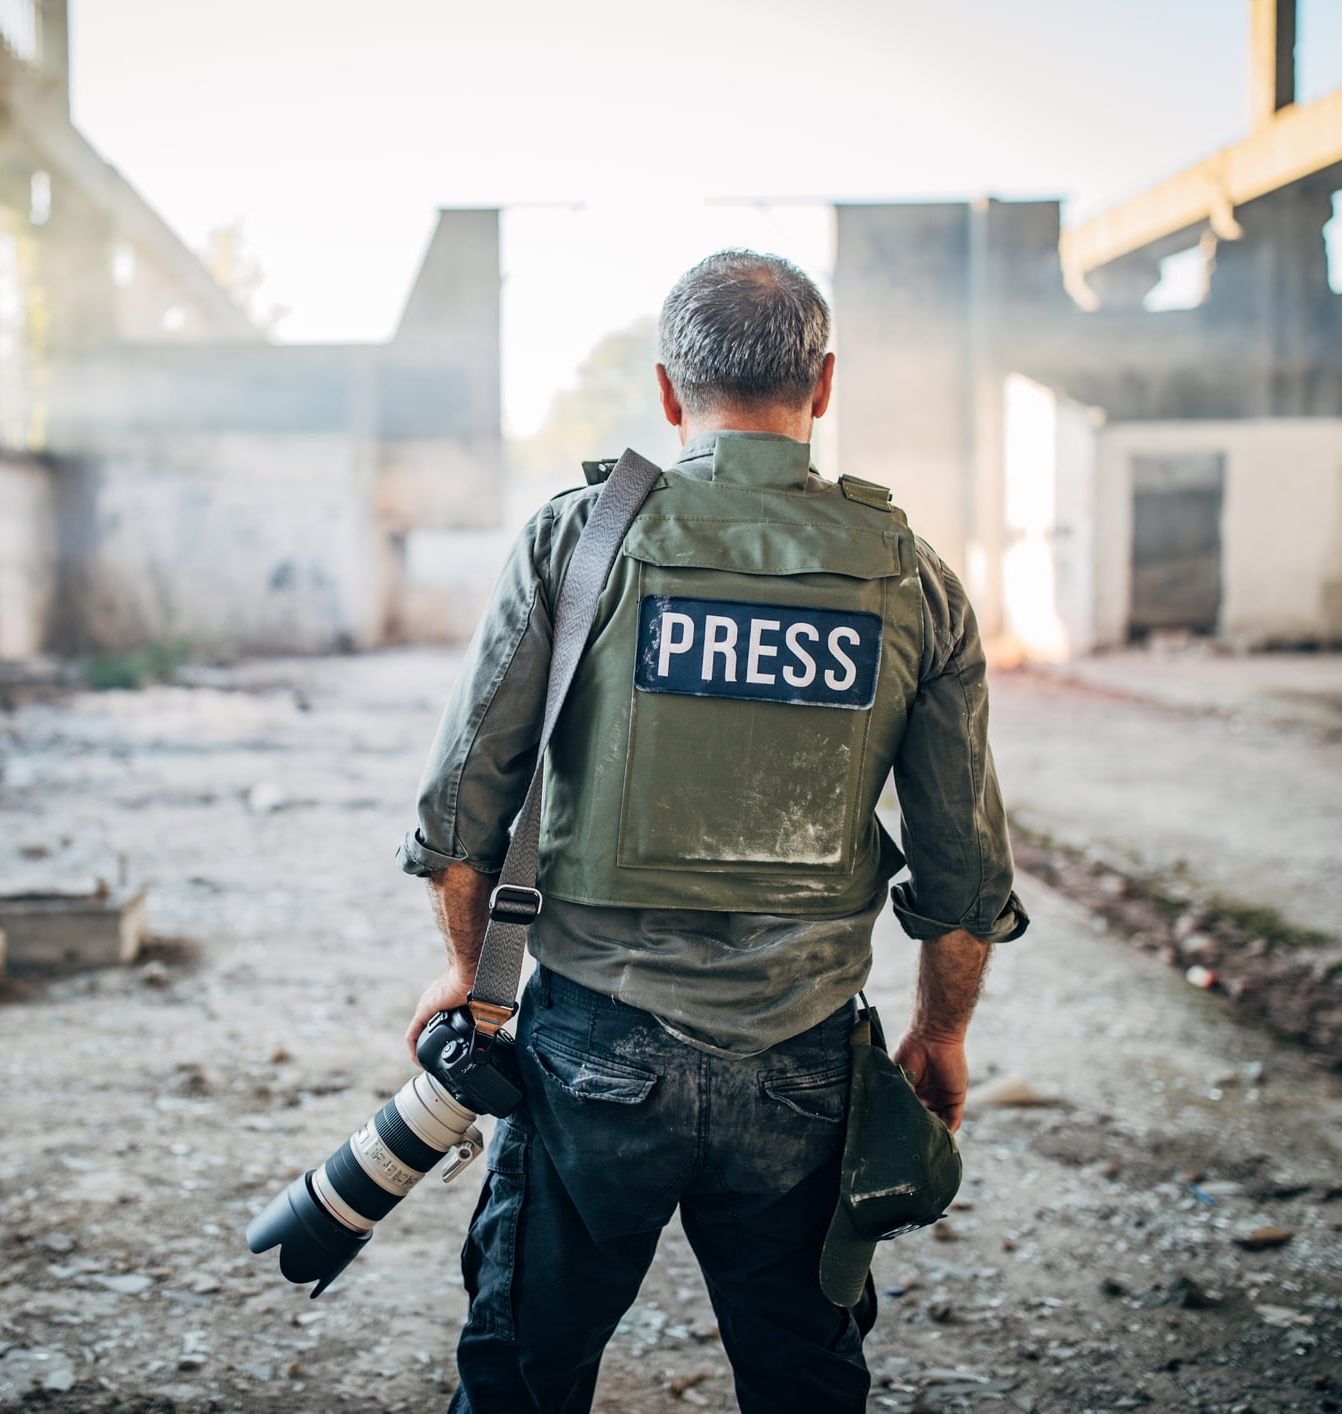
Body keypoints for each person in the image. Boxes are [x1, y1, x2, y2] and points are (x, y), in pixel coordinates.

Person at [395, 249, 1029, 1413]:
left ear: (671, 391)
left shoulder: (580, 541)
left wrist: (468, 975)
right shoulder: (915, 579)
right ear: (823, 384)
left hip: (591, 1051)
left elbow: (459, 814)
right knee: (803, 1377)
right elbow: (965, 873)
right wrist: (941, 1032)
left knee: (525, 1374)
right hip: (803, 1060)